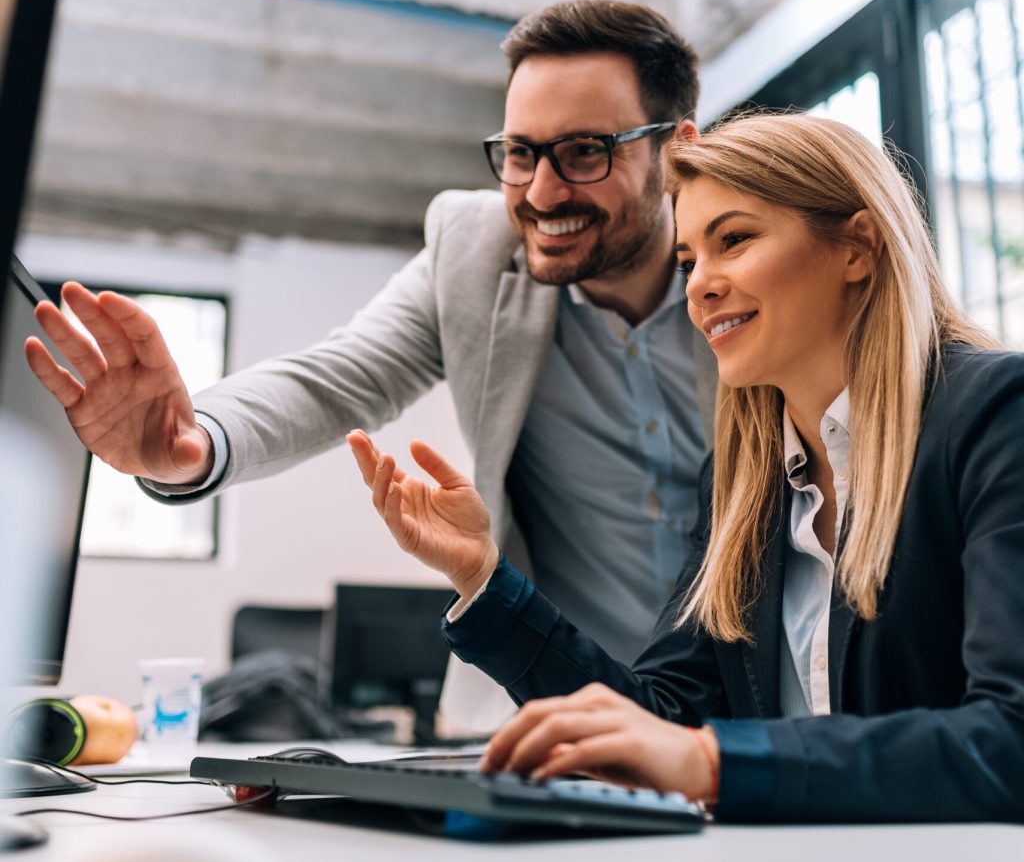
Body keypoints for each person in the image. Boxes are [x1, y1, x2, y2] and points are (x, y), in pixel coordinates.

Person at [23, 0, 717, 731]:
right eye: (520, 153)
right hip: (553, 709)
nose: (542, 193)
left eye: (584, 152)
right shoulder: (476, 253)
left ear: (675, 150)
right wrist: (194, 440)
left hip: (750, 709)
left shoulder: (752, 269)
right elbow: (339, 376)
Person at [348, 111, 1024, 822]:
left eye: (734, 240)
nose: (700, 286)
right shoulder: (741, 484)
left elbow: (1009, 740)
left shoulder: (995, 417)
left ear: (857, 246)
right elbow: (659, 720)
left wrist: (711, 763)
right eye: (689, 261)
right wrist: (482, 578)